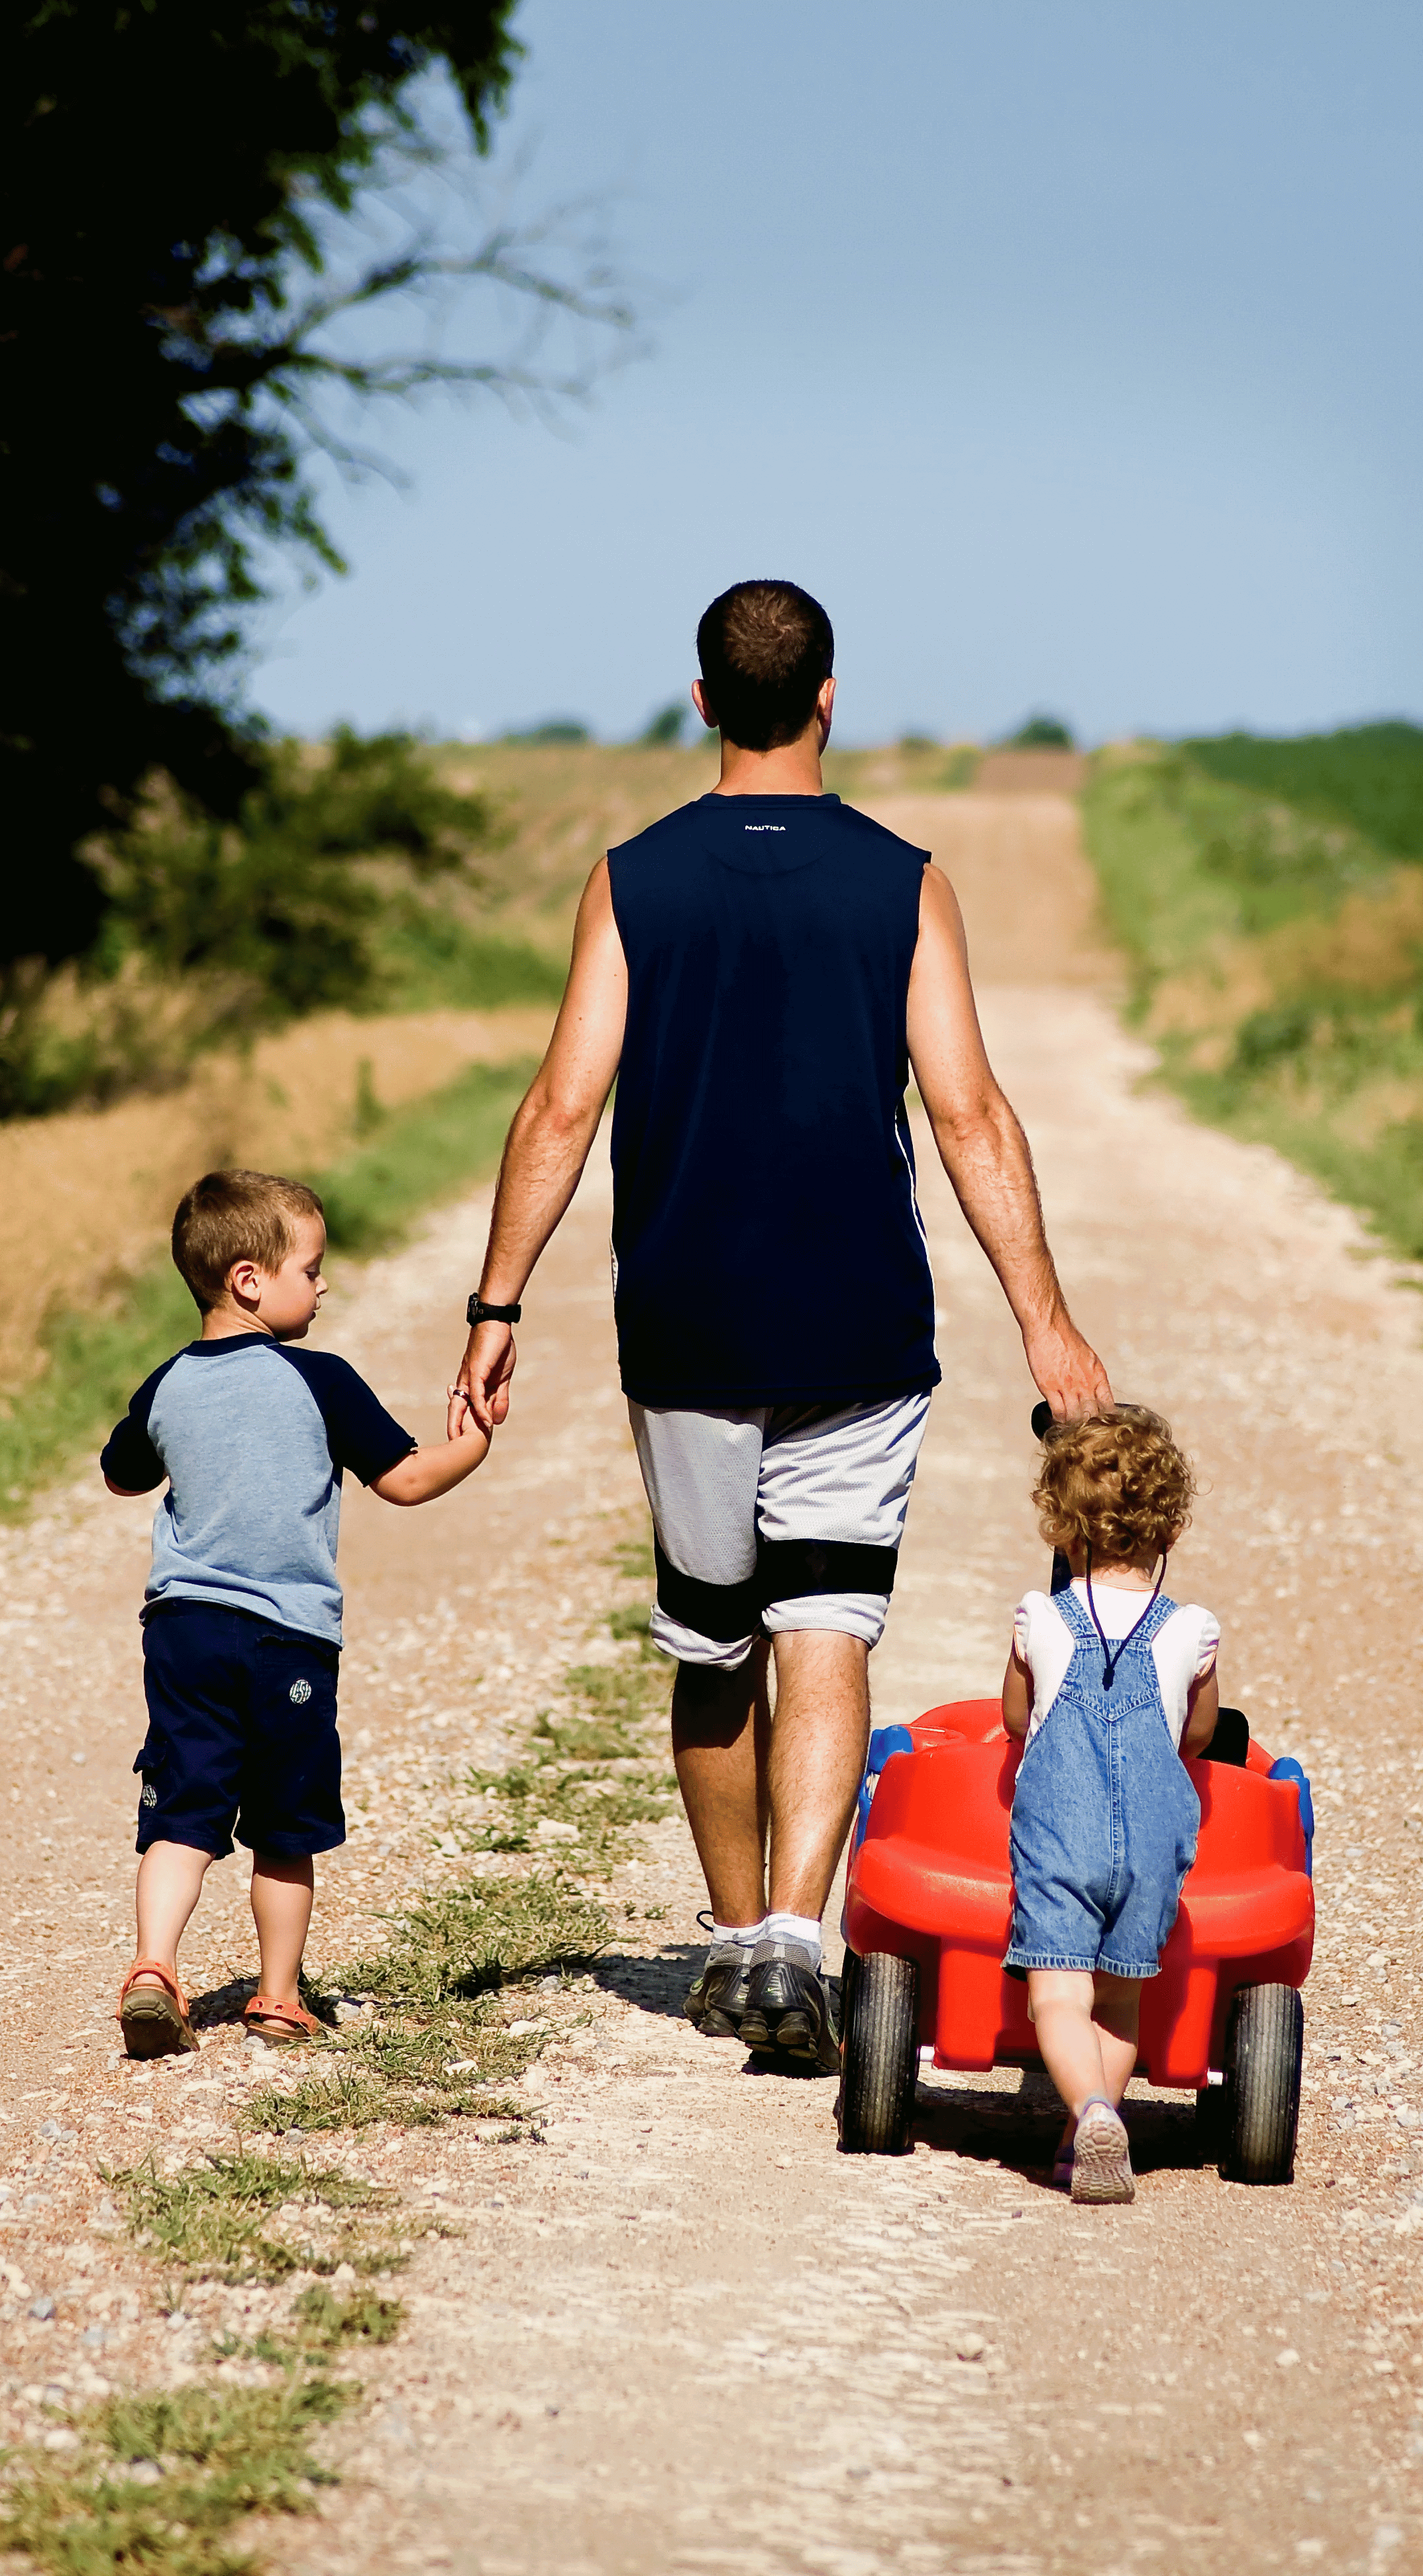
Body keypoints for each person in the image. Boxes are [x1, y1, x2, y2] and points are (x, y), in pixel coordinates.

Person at [458, 578, 1110, 2074]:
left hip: (683, 1312)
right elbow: (968, 1111)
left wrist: (495, 1301)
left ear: (700, 702)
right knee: (826, 1622)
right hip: (857, 1313)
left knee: (712, 1634)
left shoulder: (632, 876)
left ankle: (738, 1931)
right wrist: (1049, 1329)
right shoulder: (904, 880)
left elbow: (564, 1102)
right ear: (830, 695)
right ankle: (797, 1943)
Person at [101, 1168, 492, 2057]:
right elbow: (406, 1479)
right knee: (284, 1827)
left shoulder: (166, 1385)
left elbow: (120, 1471)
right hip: (288, 1640)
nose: (322, 1287)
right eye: (311, 1270)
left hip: (184, 1632)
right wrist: (473, 1442)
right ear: (250, 1279)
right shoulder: (321, 1379)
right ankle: (277, 1995)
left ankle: (155, 1967)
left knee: (181, 1811)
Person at [1000, 1404, 1220, 2202]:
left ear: (1063, 1527)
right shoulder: (1193, 1629)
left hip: (1061, 1828)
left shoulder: (1041, 1617)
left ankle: (1089, 2109)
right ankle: (1087, 2135)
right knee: (1120, 1994)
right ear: (1168, 1529)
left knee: (1059, 1992)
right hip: (1156, 1833)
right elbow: (1196, 1735)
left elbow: (1016, 1721)